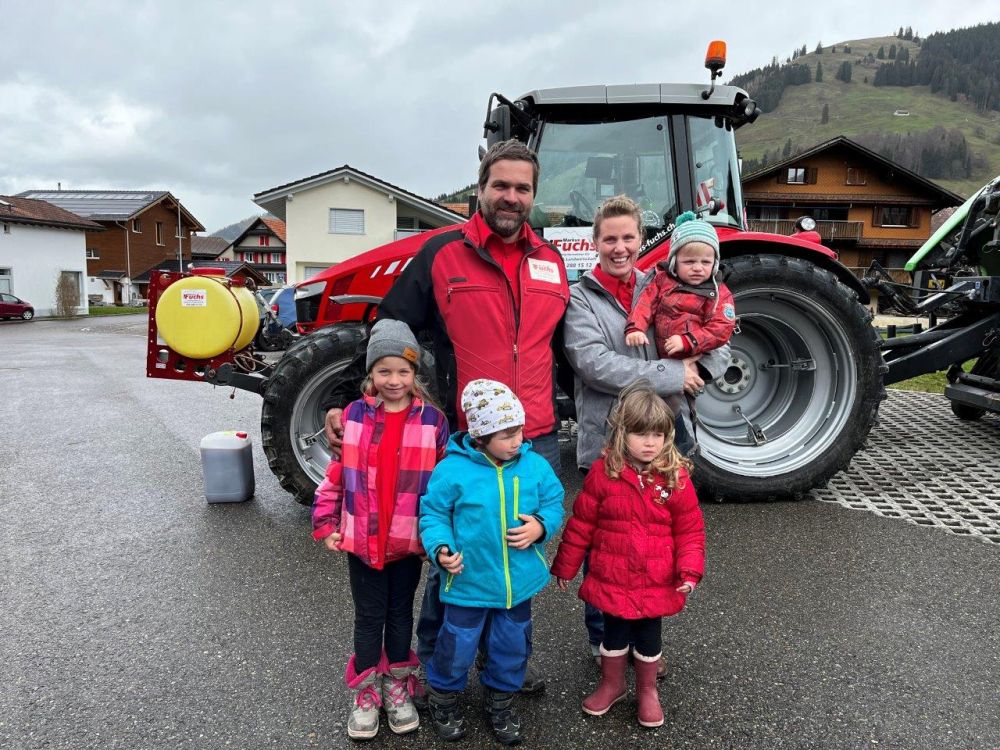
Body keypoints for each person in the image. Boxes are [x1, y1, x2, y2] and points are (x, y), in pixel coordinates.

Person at [323, 139, 570, 695]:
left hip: (536, 435)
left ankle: (507, 667)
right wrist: (345, 396)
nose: (511, 197)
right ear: (479, 190)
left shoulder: (551, 263)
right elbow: (390, 330)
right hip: (465, 439)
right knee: (454, 558)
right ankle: (440, 669)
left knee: (518, 548)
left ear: (533, 194)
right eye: (500, 186)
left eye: (522, 188)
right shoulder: (441, 254)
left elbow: (568, 349)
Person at [561, 195, 729, 667]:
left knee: (655, 540)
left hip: (662, 439)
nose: (619, 247)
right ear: (594, 242)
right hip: (607, 439)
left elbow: (719, 337)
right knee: (606, 544)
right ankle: (605, 642)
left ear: (642, 240)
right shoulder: (579, 300)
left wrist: (701, 367)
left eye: (628, 237)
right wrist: (675, 375)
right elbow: (594, 364)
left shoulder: (666, 286)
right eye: (609, 238)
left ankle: (645, 640)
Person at [311, 319, 449, 740]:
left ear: (415, 374)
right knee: (369, 618)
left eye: (403, 371)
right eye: (384, 371)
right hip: (362, 542)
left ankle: (398, 685)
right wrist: (326, 523)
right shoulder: (354, 415)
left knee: (399, 615)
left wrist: (439, 534)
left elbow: (443, 485)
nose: (394, 380)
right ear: (370, 373)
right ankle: (366, 690)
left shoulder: (432, 421)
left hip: (408, 545)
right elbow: (337, 475)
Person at [550, 382, 705, 728]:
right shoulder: (604, 476)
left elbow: (690, 531)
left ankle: (647, 690)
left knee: (649, 638)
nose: (650, 443)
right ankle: (613, 683)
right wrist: (566, 565)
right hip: (613, 575)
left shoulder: (675, 478)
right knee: (613, 634)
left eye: (658, 435)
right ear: (622, 433)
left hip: (656, 578)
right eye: (640, 434)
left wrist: (689, 571)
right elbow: (582, 524)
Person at [419, 379, 564, 744]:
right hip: (467, 582)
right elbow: (433, 513)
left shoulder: (534, 466)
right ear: (480, 437)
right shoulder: (452, 470)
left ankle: (501, 699)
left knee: (512, 643)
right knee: (455, 644)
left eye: (519, 430)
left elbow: (554, 501)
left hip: (518, 585)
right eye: (507, 434)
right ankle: (444, 696)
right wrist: (440, 548)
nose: (517, 441)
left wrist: (542, 527)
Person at [625, 210, 736, 422]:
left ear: (715, 263)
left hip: (691, 357)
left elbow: (721, 327)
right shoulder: (661, 281)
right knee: (653, 414)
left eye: (706, 262)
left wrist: (688, 341)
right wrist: (635, 327)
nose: (697, 268)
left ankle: (682, 446)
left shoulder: (719, 292)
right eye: (689, 262)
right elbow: (645, 303)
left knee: (677, 415)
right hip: (661, 364)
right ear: (674, 261)